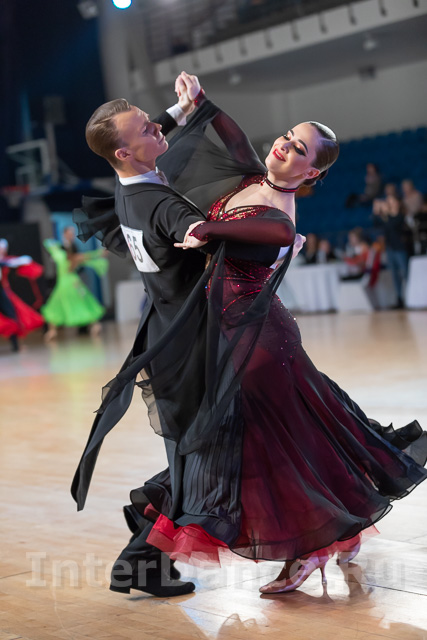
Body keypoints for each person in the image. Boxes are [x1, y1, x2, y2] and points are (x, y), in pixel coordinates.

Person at [73, 85, 427, 597]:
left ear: (312, 173)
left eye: (299, 148)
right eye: (287, 136)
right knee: (249, 446)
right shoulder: (235, 180)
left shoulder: (147, 189)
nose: (284, 145)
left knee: (245, 448)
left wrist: (210, 228)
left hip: (247, 339)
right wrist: (194, 109)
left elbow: (272, 231)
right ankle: (316, 535)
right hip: (211, 337)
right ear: (125, 152)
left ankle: (311, 537)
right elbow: (232, 145)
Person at [71, 74, 305, 598]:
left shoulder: (129, 184)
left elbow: (143, 135)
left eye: (152, 121)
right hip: (189, 344)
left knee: (202, 455)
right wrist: (278, 238)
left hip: (168, 332)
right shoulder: (165, 208)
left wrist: (181, 111)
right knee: (205, 460)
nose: (158, 128)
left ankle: (145, 535)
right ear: (126, 152)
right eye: (147, 129)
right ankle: (142, 548)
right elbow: (244, 235)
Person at [41, 226, 108, 341]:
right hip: (65, 282)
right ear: (64, 234)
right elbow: (48, 244)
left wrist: (98, 254)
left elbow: (84, 258)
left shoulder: (69, 252)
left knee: (77, 302)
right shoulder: (61, 250)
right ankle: (53, 330)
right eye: (70, 233)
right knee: (61, 303)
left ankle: (93, 324)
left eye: (72, 233)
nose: (72, 235)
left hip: (70, 281)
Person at [0, 239, 44, 352]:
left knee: (12, 315)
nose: (2, 250)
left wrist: (22, 261)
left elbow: (12, 262)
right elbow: (7, 263)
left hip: (3, 292)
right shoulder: (5, 261)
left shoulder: (6, 259)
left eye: (3, 248)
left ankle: (16, 345)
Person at [373, 188, 408, 308]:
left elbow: (392, 226)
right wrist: (376, 212)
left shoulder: (401, 216)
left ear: (397, 203)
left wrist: (385, 213)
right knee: (394, 275)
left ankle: (410, 295)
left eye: (391, 201)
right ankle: (399, 298)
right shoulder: (387, 217)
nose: (388, 203)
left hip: (400, 248)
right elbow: (377, 224)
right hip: (390, 248)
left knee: (405, 273)